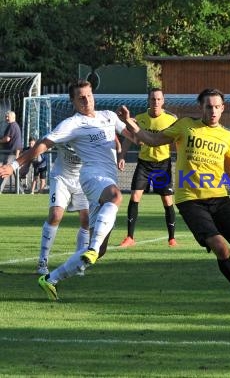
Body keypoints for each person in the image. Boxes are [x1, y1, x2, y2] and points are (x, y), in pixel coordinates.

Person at [118, 88, 230, 307]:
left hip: (219, 197)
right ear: (201, 108)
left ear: (223, 108)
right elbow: (151, 139)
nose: (213, 111)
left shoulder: (228, 136)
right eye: (209, 106)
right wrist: (130, 123)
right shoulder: (185, 125)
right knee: (220, 247)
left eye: (217, 107)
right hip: (190, 201)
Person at [0, 79, 136, 300]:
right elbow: (43, 144)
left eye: (89, 95)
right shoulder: (72, 123)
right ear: (73, 101)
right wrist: (15, 164)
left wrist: (128, 121)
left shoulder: (109, 116)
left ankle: (51, 279)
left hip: (101, 180)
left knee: (100, 251)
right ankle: (49, 259)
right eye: (80, 97)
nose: (86, 100)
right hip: (89, 176)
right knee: (115, 196)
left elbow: (135, 136)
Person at [117, 88, 178, 248]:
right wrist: (122, 156)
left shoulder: (172, 119)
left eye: (158, 99)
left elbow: (179, 140)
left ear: (163, 101)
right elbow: (130, 138)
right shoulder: (139, 119)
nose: (155, 102)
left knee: (167, 200)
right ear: (148, 101)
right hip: (144, 163)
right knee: (135, 197)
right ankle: (130, 237)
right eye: (153, 99)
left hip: (163, 165)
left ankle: (172, 238)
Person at [36, 142, 90, 275]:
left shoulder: (93, 131)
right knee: (55, 215)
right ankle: (42, 260)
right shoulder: (65, 129)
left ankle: (79, 263)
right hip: (61, 177)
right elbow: (43, 142)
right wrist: (18, 163)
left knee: (87, 220)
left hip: (82, 179)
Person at [0, 111, 22, 193]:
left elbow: (7, 139)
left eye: (7, 117)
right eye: (6, 116)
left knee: (4, 171)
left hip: (11, 154)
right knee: (14, 171)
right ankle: (21, 191)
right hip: (14, 153)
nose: (6, 118)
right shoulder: (15, 125)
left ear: (13, 117)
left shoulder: (12, 125)